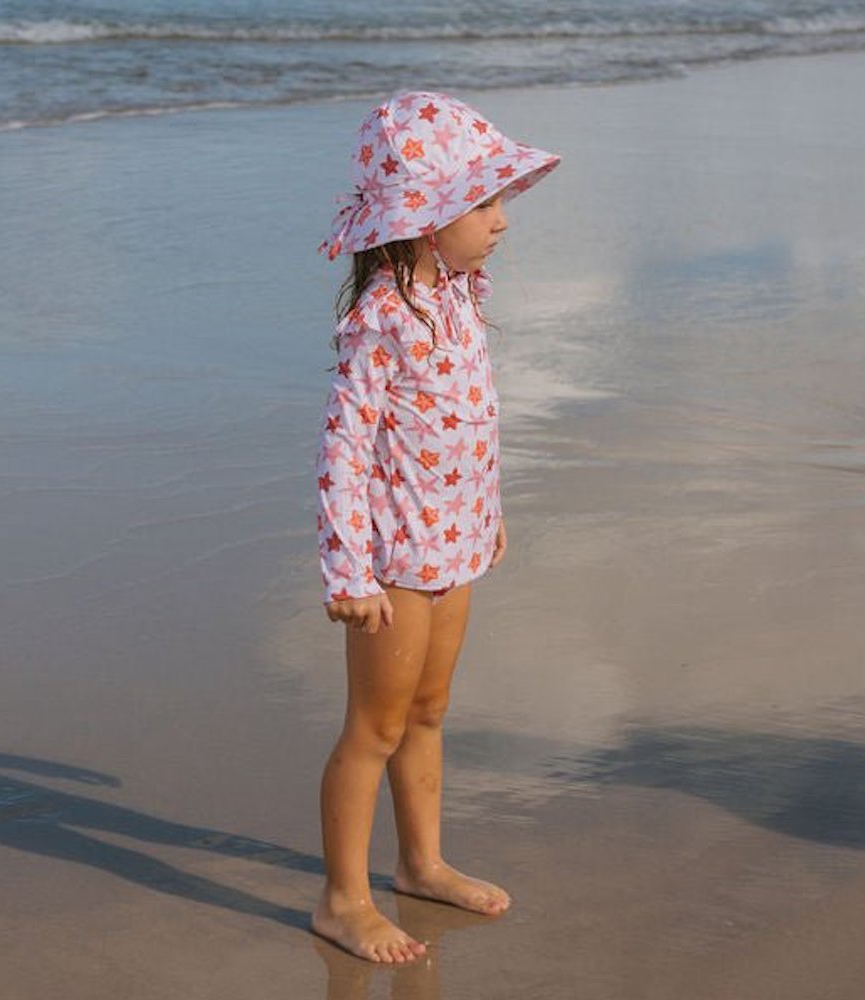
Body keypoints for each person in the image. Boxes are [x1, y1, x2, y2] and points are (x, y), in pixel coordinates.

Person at [312, 90, 559, 964]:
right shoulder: (381, 319)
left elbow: (470, 421)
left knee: (430, 711)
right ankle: (343, 899)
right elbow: (343, 448)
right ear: (423, 219)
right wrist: (349, 571)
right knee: (374, 727)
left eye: (499, 201)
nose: (502, 221)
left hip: (453, 542)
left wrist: (487, 516)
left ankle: (420, 863)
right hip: (392, 564)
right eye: (485, 203)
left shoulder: (457, 295)